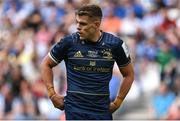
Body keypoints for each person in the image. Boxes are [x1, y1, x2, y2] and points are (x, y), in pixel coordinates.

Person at [40, 4, 134, 120]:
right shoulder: (69, 42)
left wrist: (118, 101)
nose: (78, 27)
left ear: (96, 24)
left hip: (101, 112)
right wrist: (52, 94)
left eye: (83, 24)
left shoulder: (115, 44)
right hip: (74, 111)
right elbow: (46, 64)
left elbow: (129, 74)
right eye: (77, 22)